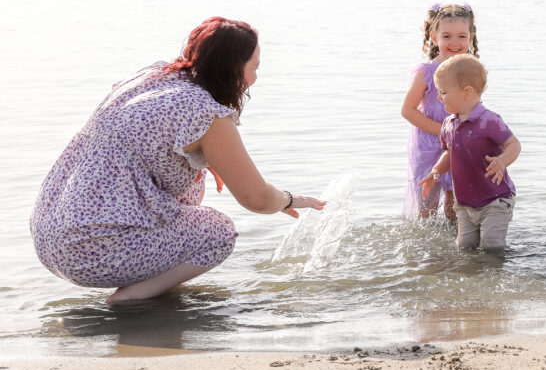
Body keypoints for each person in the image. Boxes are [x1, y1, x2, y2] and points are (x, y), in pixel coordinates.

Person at [30, 17, 327, 304]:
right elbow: (256, 199)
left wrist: (207, 161)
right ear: (235, 68)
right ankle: (133, 296)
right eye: (255, 67)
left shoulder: (151, 78)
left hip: (48, 237)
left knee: (193, 182)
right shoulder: (206, 113)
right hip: (88, 253)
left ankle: (140, 275)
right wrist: (288, 199)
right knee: (218, 232)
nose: (255, 78)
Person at [419, 54, 521, 250]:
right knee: (464, 247)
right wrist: (436, 171)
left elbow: (514, 144)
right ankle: (471, 277)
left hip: (496, 200)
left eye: (443, 92)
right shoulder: (448, 124)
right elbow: (450, 153)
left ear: (466, 92)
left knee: (492, 246)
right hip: (465, 203)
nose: (439, 97)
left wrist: (502, 161)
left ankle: (495, 277)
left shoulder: (488, 121)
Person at [400, 3, 479, 221]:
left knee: (455, 208)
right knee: (427, 207)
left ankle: (455, 250)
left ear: (471, 37)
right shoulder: (426, 71)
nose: (455, 43)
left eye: (462, 36)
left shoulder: (472, 70)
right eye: (447, 36)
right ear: (434, 38)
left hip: (459, 145)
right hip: (428, 142)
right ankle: (425, 250)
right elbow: (407, 110)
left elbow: (475, 109)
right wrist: (442, 131)